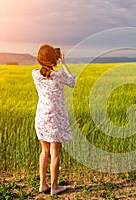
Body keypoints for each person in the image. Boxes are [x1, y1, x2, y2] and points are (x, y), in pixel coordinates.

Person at [32, 44, 75, 195]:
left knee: (44, 151)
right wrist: (63, 63)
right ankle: (54, 187)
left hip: (42, 117)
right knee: (55, 153)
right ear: (53, 58)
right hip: (55, 119)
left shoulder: (35, 74)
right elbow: (72, 82)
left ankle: (42, 184)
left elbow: (45, 72)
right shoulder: (58, 76)